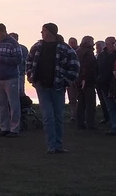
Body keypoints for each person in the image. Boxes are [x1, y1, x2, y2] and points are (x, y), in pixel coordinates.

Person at [28, 23, 80, 153]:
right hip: (42, 86)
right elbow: (28, 62)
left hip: (57, 87)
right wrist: (31, 76)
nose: (41, 32)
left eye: (44, 30)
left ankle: (58, 144)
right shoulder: (37, 47)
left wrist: (66, 81)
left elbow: (74, 66)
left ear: (50, 32)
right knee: (47, 116)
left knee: (58, 116)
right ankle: (51, 145)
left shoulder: (65, 48)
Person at [0, 23, 24, 137]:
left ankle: (15, 129)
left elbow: (18, 60)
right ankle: (4, 127)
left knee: (13, 103)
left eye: (0, 33)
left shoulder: (13, 44)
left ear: (5, 31)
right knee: (0, 104)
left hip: (11, 77)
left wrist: (2, 58)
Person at [97, 37, 116, 135]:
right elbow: (97, 68)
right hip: (104, 84)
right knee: (110, 107)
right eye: (112, 43)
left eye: (115, 42)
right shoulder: (101, 55)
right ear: (107, 44)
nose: (114, 44)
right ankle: (115, 127)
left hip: (115, 84)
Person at [74, 36, 98, 130]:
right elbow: (87, 67)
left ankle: (80, 123)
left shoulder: (78, 51)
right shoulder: (88, 52)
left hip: (78, 80)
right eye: (93, 42)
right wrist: (85, 78)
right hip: (87, 81)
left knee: (81, 103)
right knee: (90, 103)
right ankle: (90, 124)